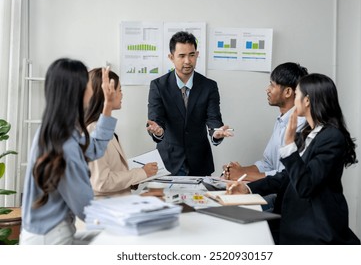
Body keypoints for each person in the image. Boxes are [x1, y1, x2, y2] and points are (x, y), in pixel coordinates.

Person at [227, 73, 361, 245]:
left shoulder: (332, 137)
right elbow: (287, 176)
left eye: (297, 94)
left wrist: (289, 145)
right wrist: (248, 189)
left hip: (316, 229)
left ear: (307, 100)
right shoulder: (308, 133)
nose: (294, 99)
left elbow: (306, 185)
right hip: (293, 221)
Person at [20, 59, 117, 245]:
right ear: (78, 91)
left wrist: (107, 107)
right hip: (50, 238)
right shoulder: (65, 144)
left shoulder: (55, 131)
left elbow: (93, 149)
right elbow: (86, 207)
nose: (92, 89)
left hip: (42, 234)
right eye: (88, 84)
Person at [146, 31, 233, 176]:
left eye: (192, 55)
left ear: (197, 55)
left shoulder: (209, 86)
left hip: (200, 162)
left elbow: (213, 119)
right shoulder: (158, 86)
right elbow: (156, 119)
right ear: (171, 57)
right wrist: (158, 130)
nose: (187, 61)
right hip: (169, 162)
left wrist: (216, 133)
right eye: (181, 56)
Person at [223, 62, 308, 182]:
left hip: (286, 195)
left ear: (288, 92)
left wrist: (243, 175)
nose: (267, 89)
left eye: (272, 85)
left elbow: (285, 176)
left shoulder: (300, 125)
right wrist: (239, 171)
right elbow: (267, 164)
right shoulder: (281, 121)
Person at [85, 68, 158, 196]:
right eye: (119, 90)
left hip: (118, 203)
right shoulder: (94, 130)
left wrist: (138, 178)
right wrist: (140, 173)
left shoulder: (106, 129)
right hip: (106, 209)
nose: (122, 94)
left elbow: (113, 171)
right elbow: (102, 182)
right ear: (106, 94)